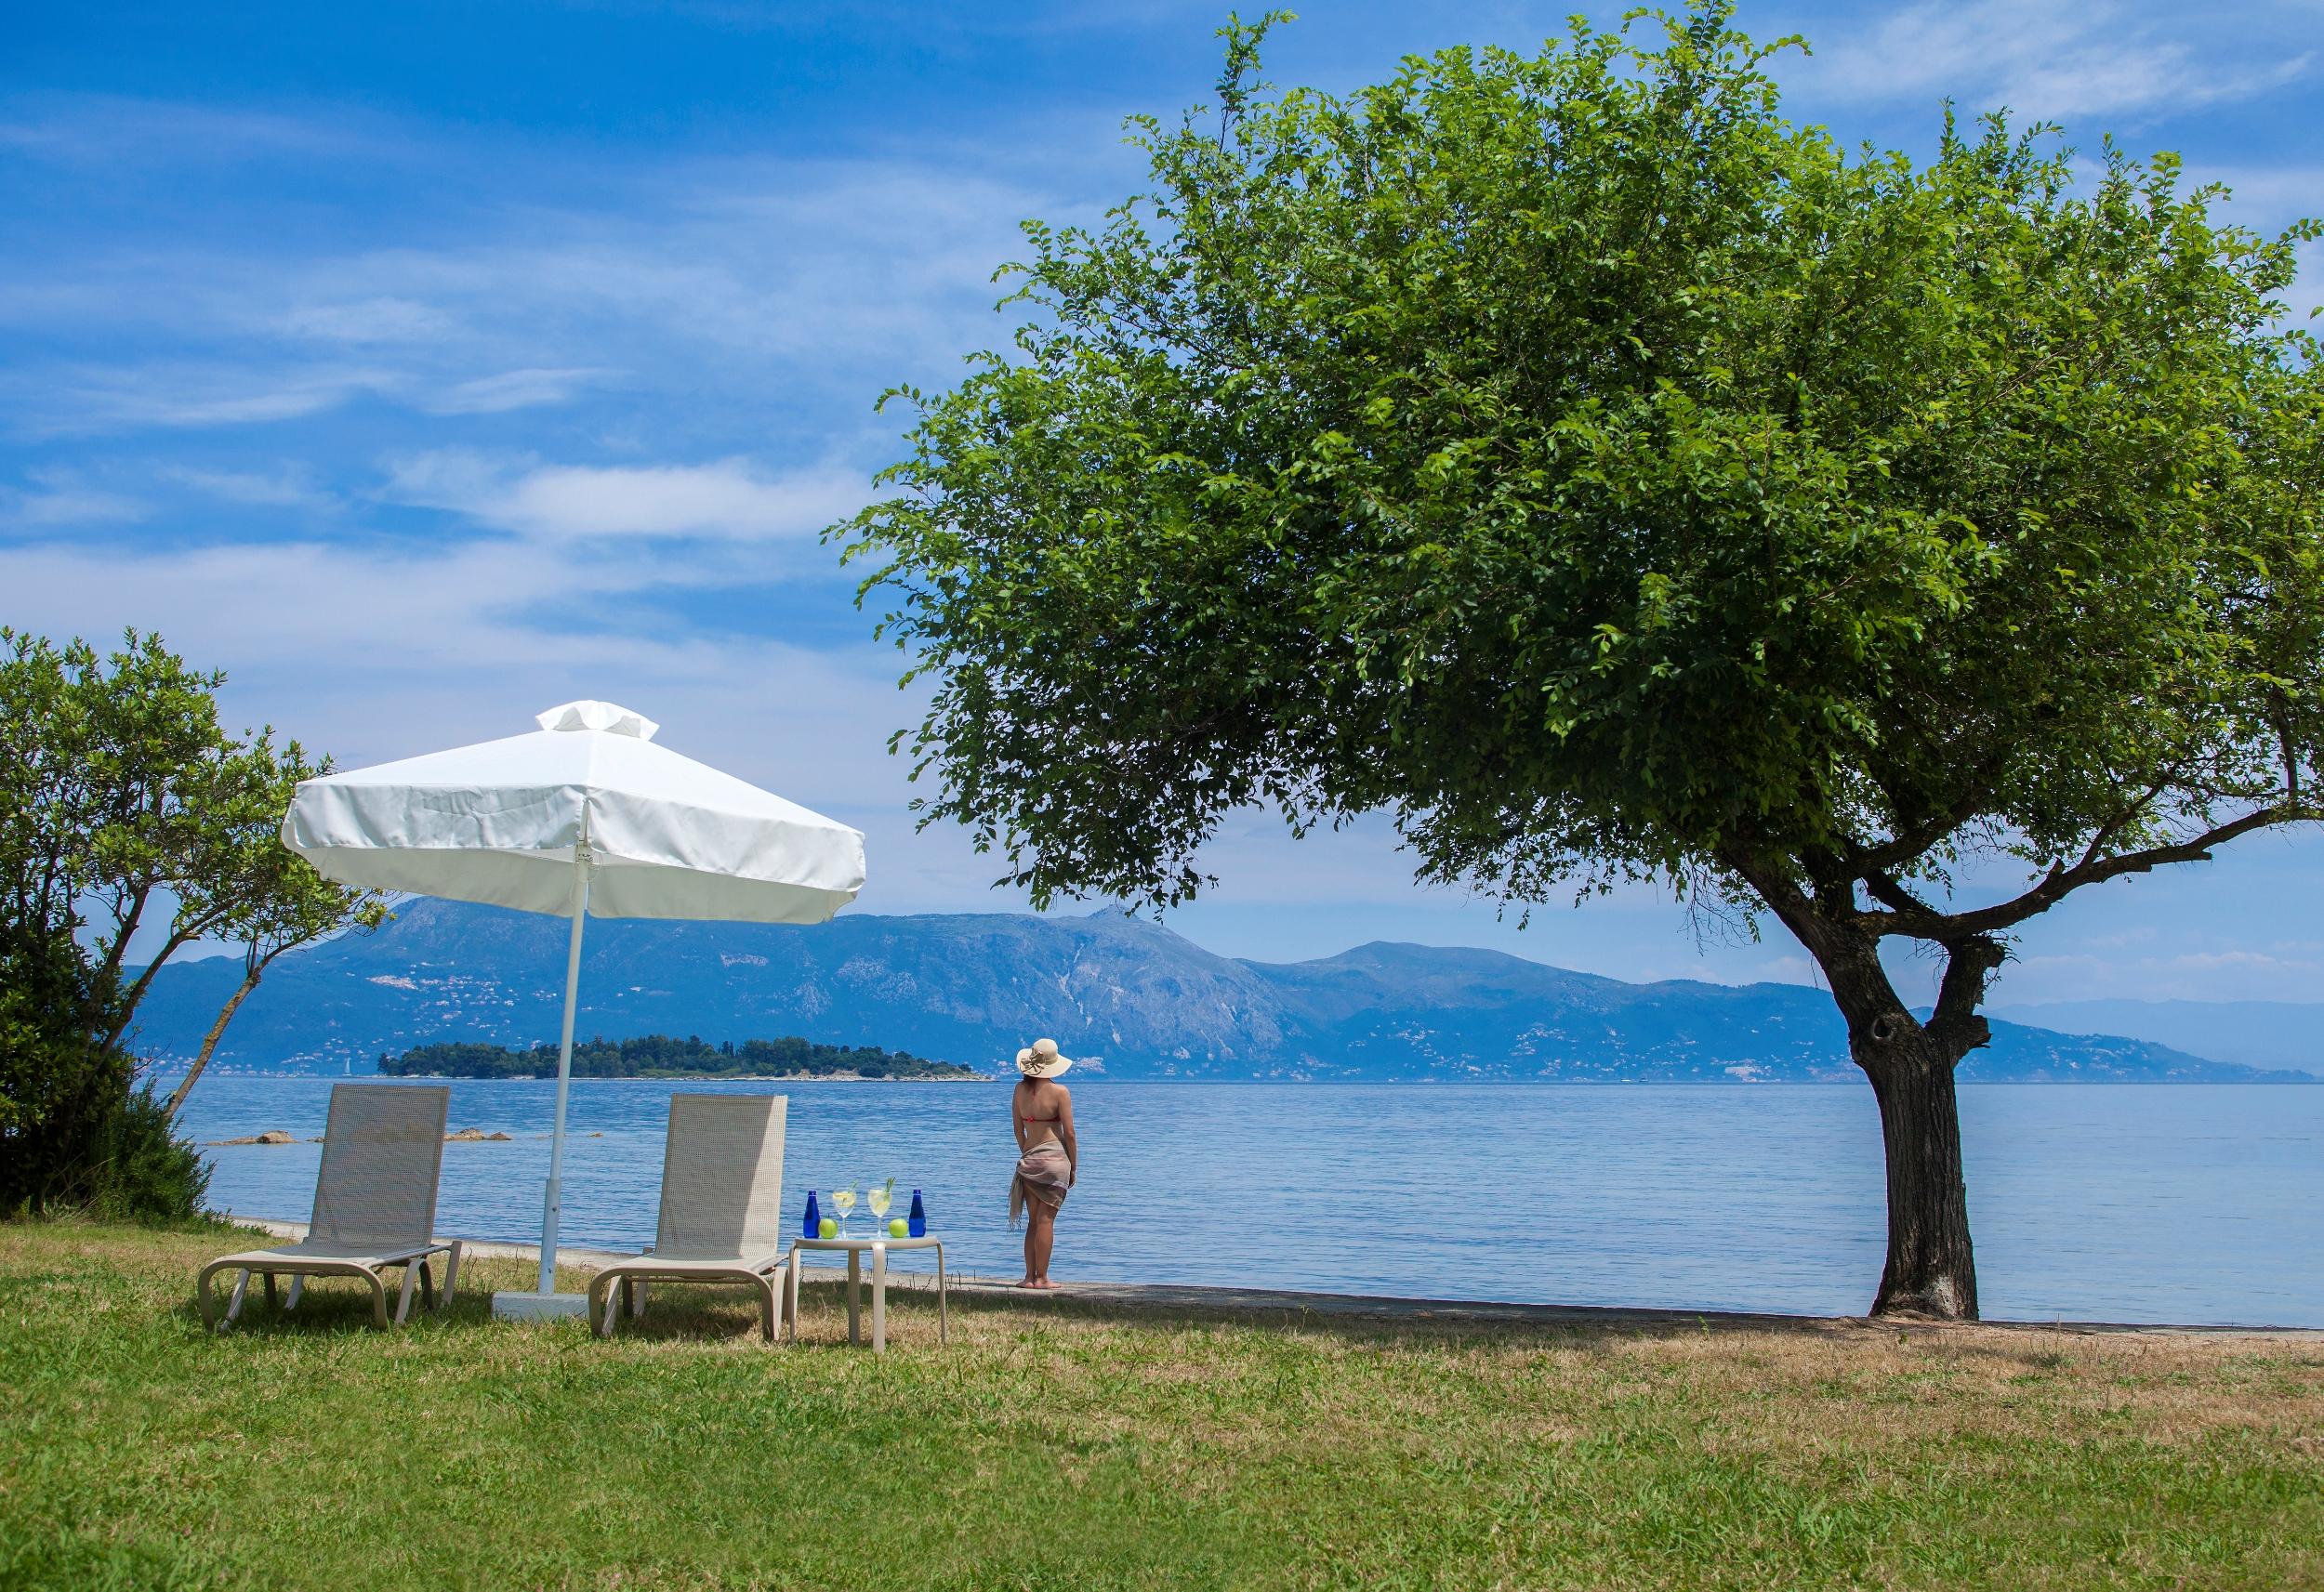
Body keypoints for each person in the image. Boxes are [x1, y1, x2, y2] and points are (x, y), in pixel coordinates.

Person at [1008, 1037, 1076, 1289]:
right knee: (1047, 1222)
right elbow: (1069, 1133)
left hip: (1030, 1159)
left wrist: (1027, 1152)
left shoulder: (1018, 1090)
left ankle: (1028, 1277)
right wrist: (1074, 1166)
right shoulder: (1060, 1093)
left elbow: (1018, 1130)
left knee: (1033, 1221)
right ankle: (1043, 1278)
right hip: (1055, 1160)